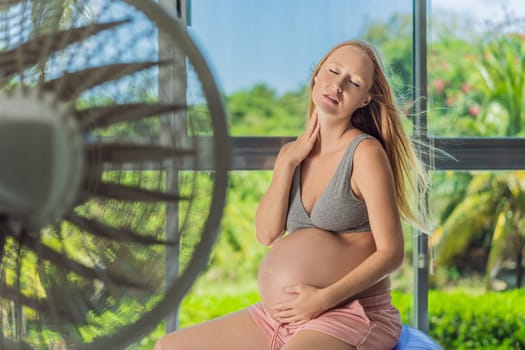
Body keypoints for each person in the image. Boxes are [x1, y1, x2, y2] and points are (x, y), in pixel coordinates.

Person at [154, 40, 430, 350]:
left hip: (350, 314)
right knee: (168, 346)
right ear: (316, 76)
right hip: (280, 317)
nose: (337, 85)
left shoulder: (365, 154)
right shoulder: (293, 154)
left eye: (352, 82)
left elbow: (391, 253)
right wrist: (287, 162)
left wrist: (321, 300)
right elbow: (266, 233)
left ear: (364, 99)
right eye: (333, 71)